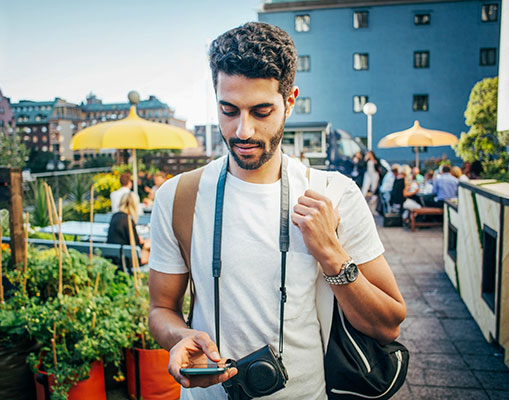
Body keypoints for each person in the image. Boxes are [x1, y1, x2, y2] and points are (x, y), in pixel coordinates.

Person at [147, 22, 405, 400]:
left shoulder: (334, 194)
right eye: (228, 110)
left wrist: (332, 256)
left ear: (290, 101)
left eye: (261, 111)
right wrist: (181, 337)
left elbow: (389, 325)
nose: (243, 130)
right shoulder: (178, 197)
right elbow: (160, 309)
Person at [107, 192, 150, 265]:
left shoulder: (115, 216)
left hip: (114, 257)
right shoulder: (128, 220)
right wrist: (145, 243)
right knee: (150, 249)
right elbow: (136, 245)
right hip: (124, 260)